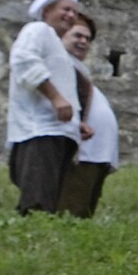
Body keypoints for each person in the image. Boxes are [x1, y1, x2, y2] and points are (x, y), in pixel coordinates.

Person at [5, 0, 83, 215]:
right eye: (65, 9)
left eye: (74, 12)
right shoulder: (38, 30)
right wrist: (56, 98)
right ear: (47, 10)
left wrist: (77, 122)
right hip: (40, 129)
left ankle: (39, 228)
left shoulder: (57, 46)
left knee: (49, 195)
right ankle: (32, 230)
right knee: (38, 199)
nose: (71, 15)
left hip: (56, 130)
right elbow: (24, 61)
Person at [59, 11, 119, 219]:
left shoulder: (79, 69)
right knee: (70, 213)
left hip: (94, 155)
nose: (83, 41)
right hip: (81, 155)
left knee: (82, 213)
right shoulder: (62, 65)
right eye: (77, 35)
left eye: (88, 38)